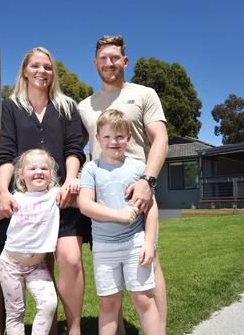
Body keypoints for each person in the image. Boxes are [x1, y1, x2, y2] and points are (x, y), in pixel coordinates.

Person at [0, 47, 89, 335]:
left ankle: (73, 329)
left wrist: (71, 180)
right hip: (28, 203)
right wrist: (2, 191)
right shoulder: (11, 107)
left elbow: (74, 147)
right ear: (24, 70)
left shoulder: (66, 106)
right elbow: (6, 152)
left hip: (61, 199)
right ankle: (47, 329)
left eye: (47, 67)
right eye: (35, 66)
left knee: (70, 259)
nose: (42, 71)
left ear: (53, 72)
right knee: (37, 264)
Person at [78, 35, 169, 334]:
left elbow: (160, 139)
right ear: (95, 63)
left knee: (149, 264)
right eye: (103, 58)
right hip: (103, 198)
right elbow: (75, 147)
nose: (109, 63)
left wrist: (147, 180)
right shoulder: (85, 106)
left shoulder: (144, 94)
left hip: (138, 188)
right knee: (110, 292)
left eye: (115, 57)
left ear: (125, 61)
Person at [78, 109, 161, 335]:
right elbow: (85, 205)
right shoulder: (90, 169)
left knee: (143, 299)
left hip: (135, 243)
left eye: (119, 137)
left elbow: (151, 207)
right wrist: (120, 215)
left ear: (129, 138)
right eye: (106, 137)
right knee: (109, 304)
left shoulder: (137, 168)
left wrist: (149, 243)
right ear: (97, 139)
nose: (113, 142)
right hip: (104, 248)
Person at [0, 149, 60, 335]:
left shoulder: (55, 195)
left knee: (49, 304)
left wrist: (75, 182)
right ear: (22, 175)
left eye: (44, 168)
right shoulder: (15, 199)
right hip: (10, 265)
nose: (39, 171)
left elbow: (75, 193)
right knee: (15, 312)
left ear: (51, 174)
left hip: (36, 266)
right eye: (32, 168)